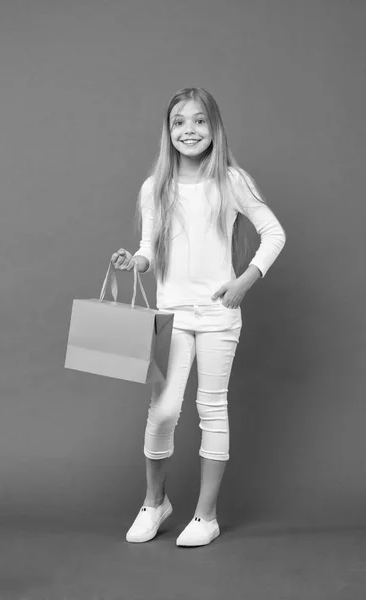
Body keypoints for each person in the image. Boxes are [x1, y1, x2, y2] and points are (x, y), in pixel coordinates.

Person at [111, 87, 286, 547]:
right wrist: (137, 262)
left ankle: (206, 516)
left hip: (218, 313)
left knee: (212, 409)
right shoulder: (156, 186)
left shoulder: (232, 180)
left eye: (199, 121)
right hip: (169, 312)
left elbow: (274, 233)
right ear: (168, 132)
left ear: (214, 127)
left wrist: (245, 280)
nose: (189, 130)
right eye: (178, 122)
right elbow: (150, 248)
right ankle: (155, 502)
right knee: (164, 410)